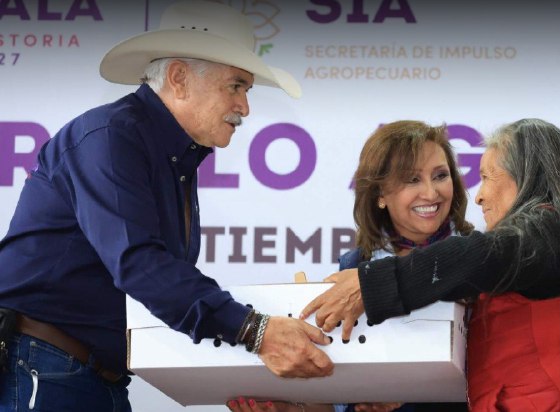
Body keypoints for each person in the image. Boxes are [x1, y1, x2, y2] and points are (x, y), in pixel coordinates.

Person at [0, 2, 333, 411]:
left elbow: (162, 283)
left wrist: (247, 346)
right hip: (43, 370)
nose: (245, 107)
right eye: (236, 86)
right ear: (178, 78)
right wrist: (255, 332)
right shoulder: (111, 137)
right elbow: (141, 265)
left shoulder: (170, 155)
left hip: (83, 376)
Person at [301, 119, 560, 411]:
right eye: (411, 179)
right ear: (378, 195)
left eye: (488, 176)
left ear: (528, 176)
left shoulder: (553, 229)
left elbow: (483, 256)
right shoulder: (542, 239)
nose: (479, 195)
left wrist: (371, 285)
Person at [228, 121, 472, 412]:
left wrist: (410, 390)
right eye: (412, 180)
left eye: (440, 175)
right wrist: (293, 409)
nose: (431, 193)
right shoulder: (353, 266)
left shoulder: (481, 256)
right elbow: (337, 393)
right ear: (380, 194)